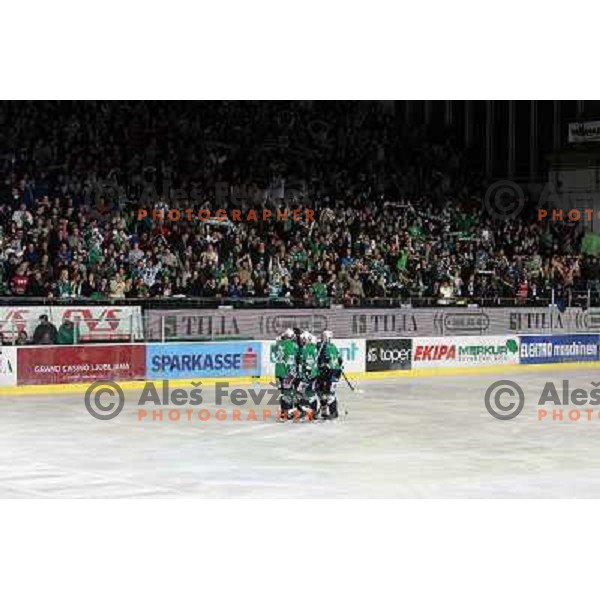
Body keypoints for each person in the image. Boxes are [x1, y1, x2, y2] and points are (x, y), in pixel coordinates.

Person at [272, 329, 299, 420]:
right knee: (288, 392)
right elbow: (291, 360)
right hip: (286, 372)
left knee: (283, 393)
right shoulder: (291, 345)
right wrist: (292, 373)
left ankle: (284, 412)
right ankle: (287, 413)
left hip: (278, 371)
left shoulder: (279, 344)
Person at [316, 330, 343, 419]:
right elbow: (340, 360)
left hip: (331, 373)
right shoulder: (329, 346)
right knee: (321, 392)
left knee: (329, 394)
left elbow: (337, 360)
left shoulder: (323, 347)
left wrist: (327, 365)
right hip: (330, 372)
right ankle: (324, 411)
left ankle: (334, 412)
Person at [296, 330, 319, 419]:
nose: (301, 341)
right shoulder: (314, 348)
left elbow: (306, 362)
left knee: (298, 392)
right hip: (314, 374)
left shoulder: (306, 348)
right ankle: (314, 412)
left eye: (303, 339)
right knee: (311, 393)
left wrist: (305, 373)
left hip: (307, 375)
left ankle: (304, 410)